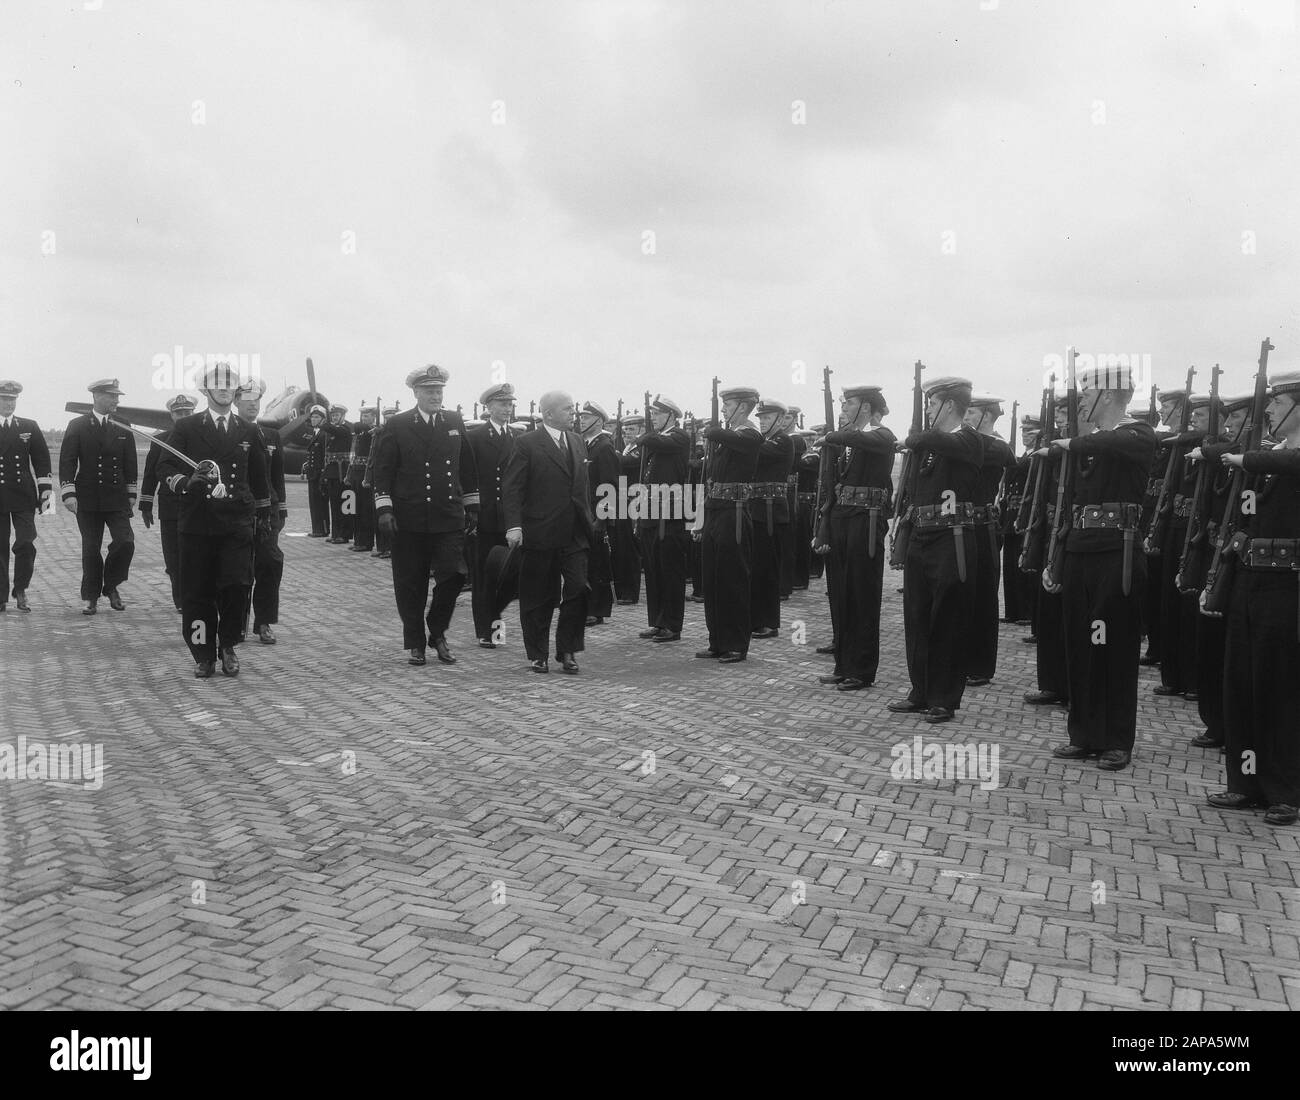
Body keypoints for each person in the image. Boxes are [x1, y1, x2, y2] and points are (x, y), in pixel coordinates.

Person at [1048, 363, 1156, 770]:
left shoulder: (1137, 434)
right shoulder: (1092, 442)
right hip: (1081, 547)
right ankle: (1085, 733)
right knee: (1081, 643)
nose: (1082, 401)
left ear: (1108, 395)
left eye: (1088, 393)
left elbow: (1114, 444)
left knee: (1115, 645)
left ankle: (1116, 739)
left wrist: (1072, 443)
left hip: (1118, 550)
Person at [1210, 370, 1300, 824]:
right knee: (1242, 681)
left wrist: (1247, 458)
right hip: (1250, 577)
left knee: (1281, 687)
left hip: (1289, 584)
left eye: (1278, 406)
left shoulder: (1277, 459)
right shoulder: (1266, 457)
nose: (1267, 411)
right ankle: (1244, 782)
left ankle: (1286, 789)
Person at [156, 362, 271, 677]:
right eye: (216, 383)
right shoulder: (187, 428)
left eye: (229, 383)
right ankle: (203, 654)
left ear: (235, 390)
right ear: (205, 390)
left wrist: (265, 518)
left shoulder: (248, 430)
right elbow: (164, 466)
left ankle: (228, 644)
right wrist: (185, 481)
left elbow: (260, 479)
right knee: (197, 592)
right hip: (197, 524)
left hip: (236, 524)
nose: (223, 387)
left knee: (236, 586)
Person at [887, 376, 984, 723]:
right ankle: (921, 690)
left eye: (932, 403)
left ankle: (944, 697)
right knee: (917, 617)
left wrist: (913, 438)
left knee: (949, 618)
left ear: (949, 405)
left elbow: (929, 438)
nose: (928, 410)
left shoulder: (968, 439)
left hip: (952, 536)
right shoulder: (928, 447)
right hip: (922, 535)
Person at [370, 365, 479, 667]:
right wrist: (384, 508)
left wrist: (472, 505)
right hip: (409, 517)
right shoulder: (399, 425)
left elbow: (467, 467)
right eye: (429, 391)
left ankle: (437, 629)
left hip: (447, 515)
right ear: (416, 393)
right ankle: (416, 642)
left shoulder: (454, 421)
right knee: (411, 583)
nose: (435, 395)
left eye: (439, 390)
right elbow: (383, 470)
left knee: (456, 573)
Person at [502, 390, 593, 673]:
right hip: (540, 531)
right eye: (568, 409)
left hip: (575, 532)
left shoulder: (578, 442)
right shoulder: (527, 443)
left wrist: (589, 519)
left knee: (578, 588)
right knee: (537, 594)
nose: (573, 414)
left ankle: (567, 649)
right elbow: (513, 488)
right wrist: (514, 526)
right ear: (549, 413)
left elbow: (582, 487)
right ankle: (537, 653)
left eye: (573, 408)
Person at [1182, 391, 1251, 749]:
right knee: (1208, 645)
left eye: (1236, 420)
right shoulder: (1227, 459)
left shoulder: (1261, 457)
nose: (1228, 426)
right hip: (1213, 555)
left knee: (1230, 651)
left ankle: (1231, 725)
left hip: (1238, 565)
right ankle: (1214, 722)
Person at [817, 386, 894, 691]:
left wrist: (833, 435)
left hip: (866, 520)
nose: (844, 408)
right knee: (841, 594)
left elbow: (859, 438)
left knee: (862, 596)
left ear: (865, 407)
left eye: (849, 403)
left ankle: (861, 670)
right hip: (843, 519)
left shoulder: (881, 435)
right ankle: (843, 664)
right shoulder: (849, 439)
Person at [694, 386, 762, 663]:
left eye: (728, 405)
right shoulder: (727, 437)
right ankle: (718, 640)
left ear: (743, 407)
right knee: (712, 578)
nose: (723, 410)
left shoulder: (749, 434)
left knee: (733, 579)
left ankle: (736, 643)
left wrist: (711, 430)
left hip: (734, 512)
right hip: (715, 509)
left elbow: (724, 435)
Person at [59, 378, 137, 614]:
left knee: (125, 542)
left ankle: (111, 584)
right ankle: (91, 596)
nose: (116, 400)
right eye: (112, 396)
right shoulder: (78, 425)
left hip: (116, 498)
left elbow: (130, 461)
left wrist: (131, 492)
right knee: (91, 549)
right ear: (96, 397)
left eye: (117, 396)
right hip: (88, 498)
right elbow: (68, 461)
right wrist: (68, 493)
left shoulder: (123, 425)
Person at [1024, 397, 1071, 708]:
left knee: (1072, 618)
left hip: (1073, 537)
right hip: (1051, 534)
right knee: (1050, 613)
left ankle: (1071, 686)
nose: (1063, 420)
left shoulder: (1080, 445)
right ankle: (1051, 684)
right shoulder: (1056, 445)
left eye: (1068, 413)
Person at [964, 394, 1015, 685]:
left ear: (987, 416)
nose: (966, 417)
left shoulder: (997, 446)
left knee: (983, 596)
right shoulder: (969, 442)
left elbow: (997, 456)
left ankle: (981, 666)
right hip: (963, 525)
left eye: (971, 413)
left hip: (983, 526)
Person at [632, 396, 691, 642]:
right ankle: (657, 621)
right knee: (654, 570)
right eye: (652, 414)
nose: (653, 418)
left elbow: (648, 439)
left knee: (670, 571)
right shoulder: (659, 440)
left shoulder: (678, 437)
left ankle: (672, 625)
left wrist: (642, 436)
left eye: (657, 414)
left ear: (671, 415)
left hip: (670, 513)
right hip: (651, 513)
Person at [235, 378, 286, 644]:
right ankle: (237, 621)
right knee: (240, 568)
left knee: (269, 563)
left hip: (269, 511)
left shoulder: (271, 436)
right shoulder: (230, 432)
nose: (253, 404)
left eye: (256, 400)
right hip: (239, 510)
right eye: (247, 400)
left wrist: (282, 509)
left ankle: (264, 621)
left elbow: (276, 475)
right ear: (235, 402)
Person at [466, 383, 517, 646]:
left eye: (509, 404)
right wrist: (471, 511)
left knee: (505, 575)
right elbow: (467, 476)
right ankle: (488, 631)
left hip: (506, 518)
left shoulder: (514, 438)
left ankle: (495, 628)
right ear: (489, 407)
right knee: (484, 576)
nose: (507, 409)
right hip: (484, 517)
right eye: (501, 404)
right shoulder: (474, 437)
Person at [140, 393, 198, 611]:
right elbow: (150, 473)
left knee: (194, 555)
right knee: (173, 557)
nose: (183, 417)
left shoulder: (202, 437)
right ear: (172, 415)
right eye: (179, 413)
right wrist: (146, 505)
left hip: (197, 507)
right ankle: (181, 600)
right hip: (170, 507)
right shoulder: (161, 440)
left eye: (187, 412)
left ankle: (194, 595)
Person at [0, 380, 52, 612]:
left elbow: (42, 462)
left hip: (23, 496)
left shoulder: (29, 426)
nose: (9, 403)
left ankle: (20, 588)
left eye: (12, 399)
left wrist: (47, 500)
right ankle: (1, 596)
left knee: (26, 542)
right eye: (4, 399)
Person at [749, 398, 794, 639]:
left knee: (768, 569)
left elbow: (758, 452)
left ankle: (770, 622)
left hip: (770, 511)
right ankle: (757, 619)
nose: (763, 422)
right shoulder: (765, 440)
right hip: (757, 509)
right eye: (761, 418)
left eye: (767, 418)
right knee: (757, 567)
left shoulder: (782, 441)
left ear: (779, 419)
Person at [578, 401, 618, 627]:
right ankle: (589, 606)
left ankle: (598, 608)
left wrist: (603, 518)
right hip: (585, 511)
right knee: (586, 562)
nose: (581, 420)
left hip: (596, 512)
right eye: (581, 417)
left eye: (586, 417)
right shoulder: (587, 445)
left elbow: (609, 486)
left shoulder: (603, 447)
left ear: (599, 421)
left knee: (598, 563)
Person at [1001, 415, 1039, 626]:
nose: (1025, 435)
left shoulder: (1036, 456)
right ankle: (1013, 610)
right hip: (1011, 513)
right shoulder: (1024, 455)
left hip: (1025, 515)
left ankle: (1026, 611)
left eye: (1030, 431)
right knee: (1010, 564)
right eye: (1023, 431)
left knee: (1022, 562)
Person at [613, 414, 644, 604]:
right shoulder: (627, 449)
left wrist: (613, 455)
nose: (627, 435)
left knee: (631, 547)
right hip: (624, 500)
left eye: (631, 430)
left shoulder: (640, 448)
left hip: (635, 500)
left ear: (641, 430)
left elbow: (626, 463)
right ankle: (624, 590)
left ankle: (631, 592)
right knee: (622, 545)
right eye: (624, 431)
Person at [348, 406, 379, 553]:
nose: (364, 419)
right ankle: (358, 539)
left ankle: (366, 542)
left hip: (365, 473)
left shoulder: (371, 431)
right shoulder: (361, 433)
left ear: (374, 417)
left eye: (367, 416)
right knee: (356, 507)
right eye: (363, 416)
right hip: (356, 472)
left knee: (365, 509)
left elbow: (358, 426)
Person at [324, 405, 354, 544]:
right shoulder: (335, 431)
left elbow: (331, 428)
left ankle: (345, 534)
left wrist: (322, 421)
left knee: (344, 505)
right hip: (333, 471)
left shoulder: (345, 430)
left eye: (337, 415)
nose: (334, 418)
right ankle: (336, 533)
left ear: (343, 416)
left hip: (342, 472)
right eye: (333, 415)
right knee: (334, 503)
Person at [302, 405, 331, 537]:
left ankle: (323, 529)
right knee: (314, 503)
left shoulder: (324, 434)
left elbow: (325, 455)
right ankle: (316, 529)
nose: (313, 419)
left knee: (320, 503)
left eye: (317, 417)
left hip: (319, 474)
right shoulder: (316, 433)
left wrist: (323, 475)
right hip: (312, 474)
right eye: (312, 417)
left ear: (323, 419)